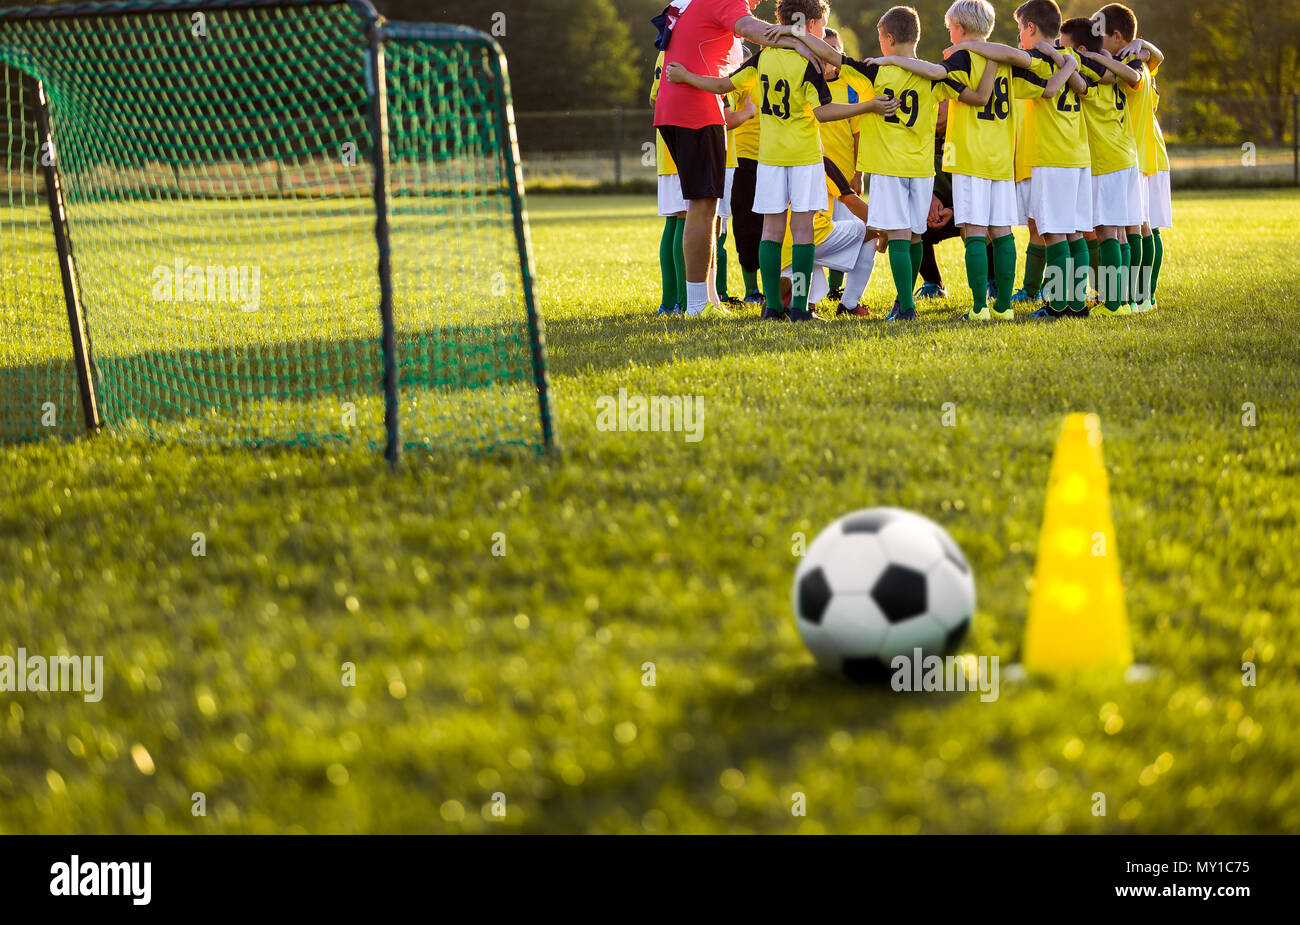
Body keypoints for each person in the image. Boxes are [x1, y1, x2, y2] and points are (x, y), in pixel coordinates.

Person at [667, 0, 898, 322]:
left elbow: (721, 85)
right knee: (803, 232)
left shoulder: (762, 57)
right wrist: (868, 106)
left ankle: (773, 307)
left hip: (769, 159)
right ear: (812, 24)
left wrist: (687, 76)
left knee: (771, 231)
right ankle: (801, 308)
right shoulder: (809, 62)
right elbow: (822, 112)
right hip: (803, 157)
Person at [652, 0, 824, 318]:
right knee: (703, 208)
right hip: (696, 111)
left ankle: (709, 300)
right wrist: (797, 37)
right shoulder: (725, 1)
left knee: (708, 209)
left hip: (678, 106)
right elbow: (757, 31)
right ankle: (696, 305)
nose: (757, 3)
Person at [830, 6, 997, 321]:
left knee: (898, 236)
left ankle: (905, 305)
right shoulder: (931, 74)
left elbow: (834, 56)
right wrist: (992, 61)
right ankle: (907, 302)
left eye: (881, 39)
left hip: (887, 167)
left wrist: (795, 38)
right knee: (917, 234)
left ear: (888, 39)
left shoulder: (875, 70)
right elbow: (977, 97)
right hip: (921, 169)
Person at [950, 0, 1094, 319]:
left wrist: (970, 46)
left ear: (1030, 28)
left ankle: (1053, 305)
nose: (1018, 37)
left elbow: (1036, 81)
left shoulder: (1034, 59)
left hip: (1043, 155)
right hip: (1070, 154)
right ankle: (1074, 301)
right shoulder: (1070, 58)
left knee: (1050, 232)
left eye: (1020, 30)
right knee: (1073, 233)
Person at [1061, 16, 1145, 317]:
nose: (1061, 50)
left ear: (1081, 50)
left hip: (1105, 161)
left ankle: (1113, 304)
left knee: (1107, 231)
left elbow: (1079, 84)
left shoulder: (1095, 78)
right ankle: (1124, 300)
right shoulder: (1116, 72)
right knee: (1120, 232)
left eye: (1065, 47)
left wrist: (1069, 61)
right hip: (1126, 157)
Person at [1101, 3, 1168, 312]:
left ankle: (1141, 296)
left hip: (1140, 154)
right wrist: (1141, 45)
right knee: (1145, 226)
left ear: (1117, 36)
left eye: (1102, 36)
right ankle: (1143, 297)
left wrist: (1138, 46)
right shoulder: (1135, 58)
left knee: (1142, 227)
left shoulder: (1131, 63)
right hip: (1148, 151)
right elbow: (1158, 57)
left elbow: (1146, 67)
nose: (1098, 43)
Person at [651, 50, 687, 316]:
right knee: (685, 219)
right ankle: (682, 300)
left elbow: (654, 98)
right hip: (682, 147)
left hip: (667, 145)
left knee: (674, 221)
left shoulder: (664, 53)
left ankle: (669, 299)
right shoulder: (685, 47)